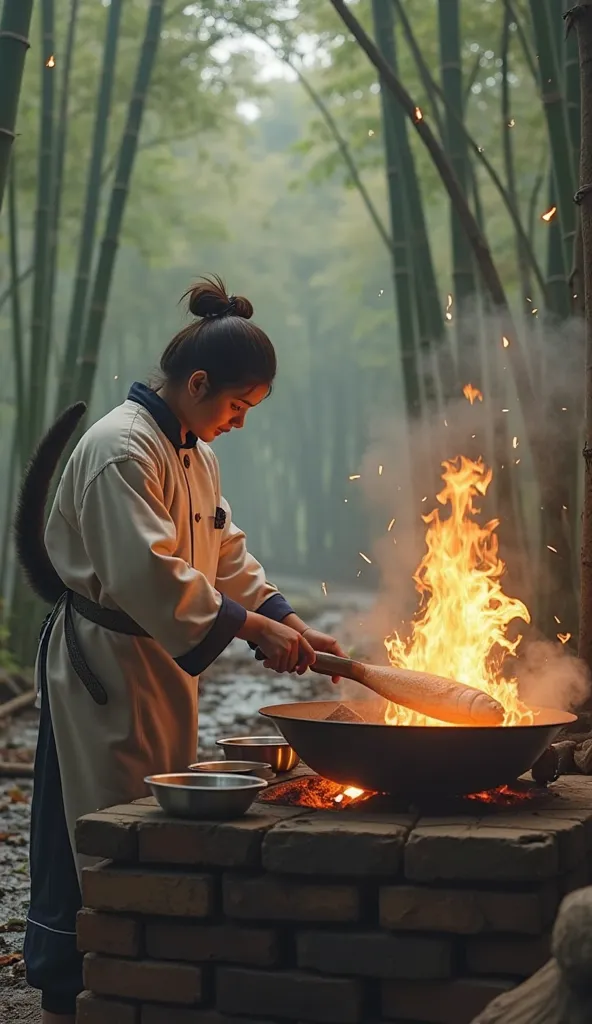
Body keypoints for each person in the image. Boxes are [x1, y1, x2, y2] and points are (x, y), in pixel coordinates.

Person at [15, 275, 345, 1023]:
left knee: (142, 806)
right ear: (196, 383)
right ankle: (72, 979)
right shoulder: (119, 450)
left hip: (156, 663)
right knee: (93, 814)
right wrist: (253, 629)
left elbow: (221, 549)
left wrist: (280, 614)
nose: (239, 422)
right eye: (236, 405)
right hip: (105, 660)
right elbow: (149, 573)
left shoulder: (191, 451)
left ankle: (136, 963)